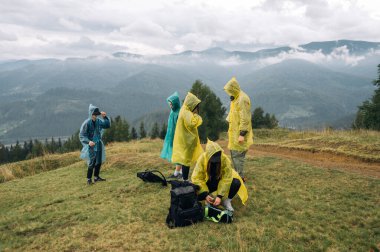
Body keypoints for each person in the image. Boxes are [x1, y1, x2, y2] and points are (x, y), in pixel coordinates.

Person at [191, 140, 248, 211]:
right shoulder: (202, 159)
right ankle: (208, 198)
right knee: (193, 191)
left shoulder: (224, 159)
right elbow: (197, 178)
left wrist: (219, 196)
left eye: (217, 159)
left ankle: (226, 201)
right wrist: (205, 194)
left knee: (236, 183)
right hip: (207, 182)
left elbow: (226, 179)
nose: (215, 161)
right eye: (213, 159)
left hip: (218, 181)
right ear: (208, 156)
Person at [224, 77, 253, 182]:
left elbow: (245, 118)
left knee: (238, 157)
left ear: (234, 89)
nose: (229, 93)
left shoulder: (242, 99)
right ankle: (236, 175)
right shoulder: (235, 98)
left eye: (230, 91)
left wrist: (242, 134)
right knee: (234, 155)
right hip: (233, 133)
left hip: (239, 134)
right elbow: (233, 113)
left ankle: (239, 179)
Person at [172, 92, 203, 181]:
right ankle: (185, 180)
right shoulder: (186, 112)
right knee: (186, 160)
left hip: (184, 139)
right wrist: (196, 115)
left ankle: (185, 178)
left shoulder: (184, 109)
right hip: (186, 140)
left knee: (186, 160)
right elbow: (192, 123)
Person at [79, 104, 111, 185]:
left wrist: (105, 117)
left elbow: (107, 125)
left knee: (99, 161)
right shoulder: (87, 123)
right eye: (94, 114)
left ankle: (96, 177)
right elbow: (82, 135)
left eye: (96, 115)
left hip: (99, 143)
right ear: (91, 114)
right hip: (91, 146)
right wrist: (88, 141)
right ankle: (89, 179)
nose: (95, 116)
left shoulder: (99, 121)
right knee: (92, 162)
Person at [160, 92, 182, 179]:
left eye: (171, 104)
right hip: (172, 137)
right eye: (169, 104)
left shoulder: (179, 112)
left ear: (175, 103)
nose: (170, 105)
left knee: (180, 155)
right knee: (177, 154)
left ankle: (180, 173)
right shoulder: (172, 112)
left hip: (178, 137)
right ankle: (177, 172)